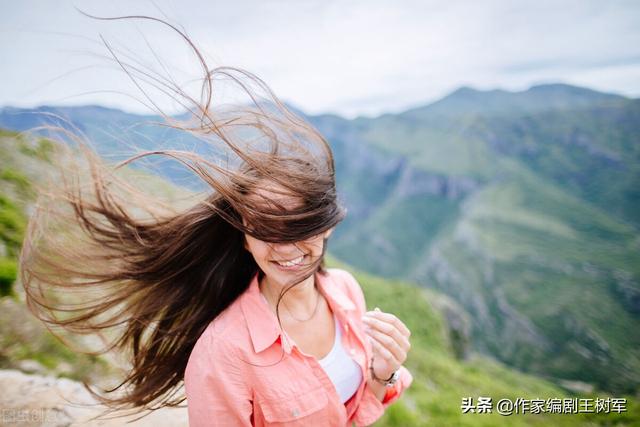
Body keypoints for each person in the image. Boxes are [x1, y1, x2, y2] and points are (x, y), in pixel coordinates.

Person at [18, 15, 412, 427]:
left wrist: (383, 373)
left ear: (328, 225)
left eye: (300, 227)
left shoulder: (346, 293)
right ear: (244, 239)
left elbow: (355, 411)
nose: (287, 248)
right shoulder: (225, 350)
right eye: (264, 229)